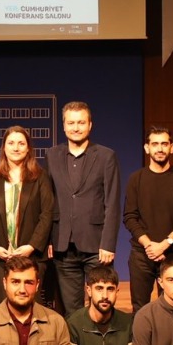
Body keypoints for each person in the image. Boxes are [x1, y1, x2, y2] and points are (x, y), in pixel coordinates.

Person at [45, 102, 122, 314]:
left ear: (90, 125)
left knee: (102, 304)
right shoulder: (52, 155)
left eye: (81, 122)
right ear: (63, 126)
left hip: (96, 246)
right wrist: (48, 240)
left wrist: (108, 243)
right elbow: (48, 200)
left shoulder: (106, 156)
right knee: (72, 311)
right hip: (63, 245)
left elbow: (112, 202)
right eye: (71, 123)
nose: (76, 128)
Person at [0, 126, 57, 319]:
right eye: (11, 143)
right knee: (4, 310)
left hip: (32, 256)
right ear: (4, 148)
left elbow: (46, 214)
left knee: (32, 310)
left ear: (28, 148)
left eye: (21, 143)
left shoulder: (40, 177)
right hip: (0, 257)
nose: (16, 147)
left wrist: (31, 246)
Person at [123, 125, 173, 312]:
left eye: (164, 144)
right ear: (147, 148)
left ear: (171, 148)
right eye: (155, 144)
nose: (159, 148)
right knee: (140, 308)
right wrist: (149, 245)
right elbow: (130, 216)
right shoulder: (136, 179)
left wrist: (164, 244)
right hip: (142, 254)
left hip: (172, 253)